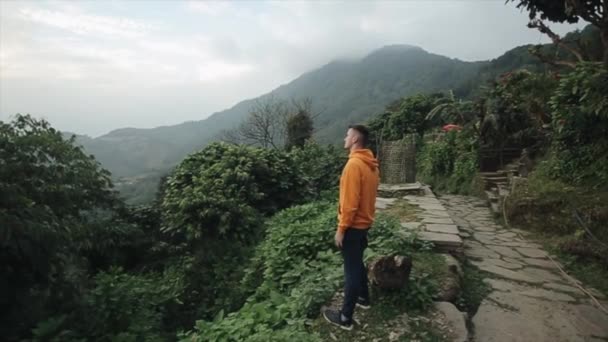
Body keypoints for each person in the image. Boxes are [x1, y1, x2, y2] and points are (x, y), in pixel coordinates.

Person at [323, 124, 380, 331]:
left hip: (353, 226)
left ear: (355, 139)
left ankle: (345, 317)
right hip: (364, 224)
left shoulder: (354, 165)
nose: (344, 139)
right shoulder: (371, 164)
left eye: (347, 135)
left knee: (351, 270)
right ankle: (363, 297)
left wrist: (341, 229)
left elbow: (350, 204)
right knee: (357, 263)